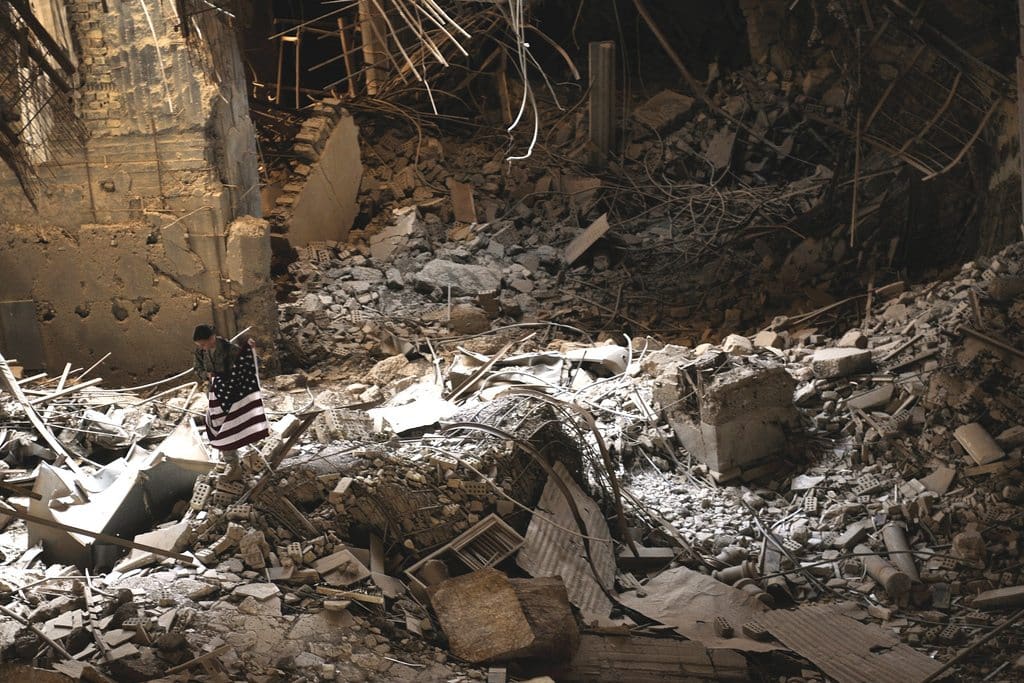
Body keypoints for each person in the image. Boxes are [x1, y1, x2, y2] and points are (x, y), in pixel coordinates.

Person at [192, 325, 269, 477]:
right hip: (214, 394)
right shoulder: (201, 352)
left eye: (204, 343)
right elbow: (197, 368)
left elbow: (252, 364)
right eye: (199, 345)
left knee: (235, 424)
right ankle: (232, 464)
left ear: (212, 338)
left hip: (232, 394)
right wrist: (206, 375)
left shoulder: (229, 349)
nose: (202, 347)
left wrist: (250, 350)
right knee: (220, 428)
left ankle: (248, 459)